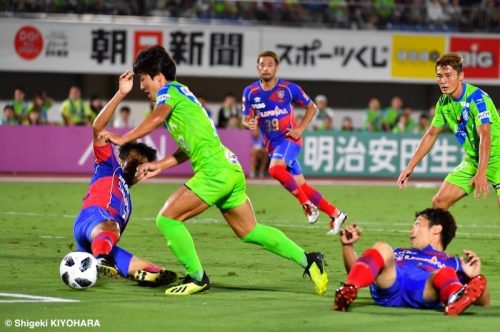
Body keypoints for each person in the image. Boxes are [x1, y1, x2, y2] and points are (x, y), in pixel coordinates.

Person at [101, 45, 328, 296]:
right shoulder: (182, 96)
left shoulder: (168, 93)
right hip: (229, 167)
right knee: (250, 231)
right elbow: (190, 147)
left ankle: (197, 277)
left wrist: (124, 138)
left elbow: (155, 118)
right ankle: (309, 260)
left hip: (215, 171)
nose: (142, 86)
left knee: (167, 219)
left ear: (158, 76)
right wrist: (160, 164)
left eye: (143, 79)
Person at [73, 71, 177, 286]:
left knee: (153, 269)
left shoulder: (128, 199)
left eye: (143, 165)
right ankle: (102, 259)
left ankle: (135, 270)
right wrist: (120, 93)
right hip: (92, 221)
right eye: (135, 160)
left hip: (99, 241)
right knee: (111, 227)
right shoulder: (109, 166)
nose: (138, 166)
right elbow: (98, 129)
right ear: (122, 157)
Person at [242, 50, 347, 235]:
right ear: (258, 68)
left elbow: (311, 107)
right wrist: (247, 122)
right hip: (273, 146)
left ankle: (306, 204)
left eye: (270, 65)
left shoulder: (289, 89)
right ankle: (335, 213)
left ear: (277, 68)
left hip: (289, 139)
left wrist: (300, 128)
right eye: (262, 65)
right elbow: (245, 118)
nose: (266, 68)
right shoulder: (250, 92)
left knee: (274, 169)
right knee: (302, 186)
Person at [334, 208, 490, 316]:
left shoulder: (455, 262)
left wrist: (473, 277)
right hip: (391, 284)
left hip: (424, 289)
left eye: (417, 224)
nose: (411, 231)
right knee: (382, 247)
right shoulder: (398, 252)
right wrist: (348, 246)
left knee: (444, 273)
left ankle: (454, 300)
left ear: (436, 229)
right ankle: (349, 289)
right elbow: (358, 268)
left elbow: (484, 302)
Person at [398, 52, 500, 208]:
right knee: (439, 202)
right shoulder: (443, 103)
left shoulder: (477, 99)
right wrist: (410, 166)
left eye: (448, 75)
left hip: (497, 157)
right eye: (439, 76)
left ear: (461, 76)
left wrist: (482, 172)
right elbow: (431, 134)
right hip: (474, 159)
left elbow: (485, 136)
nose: (443, 81)